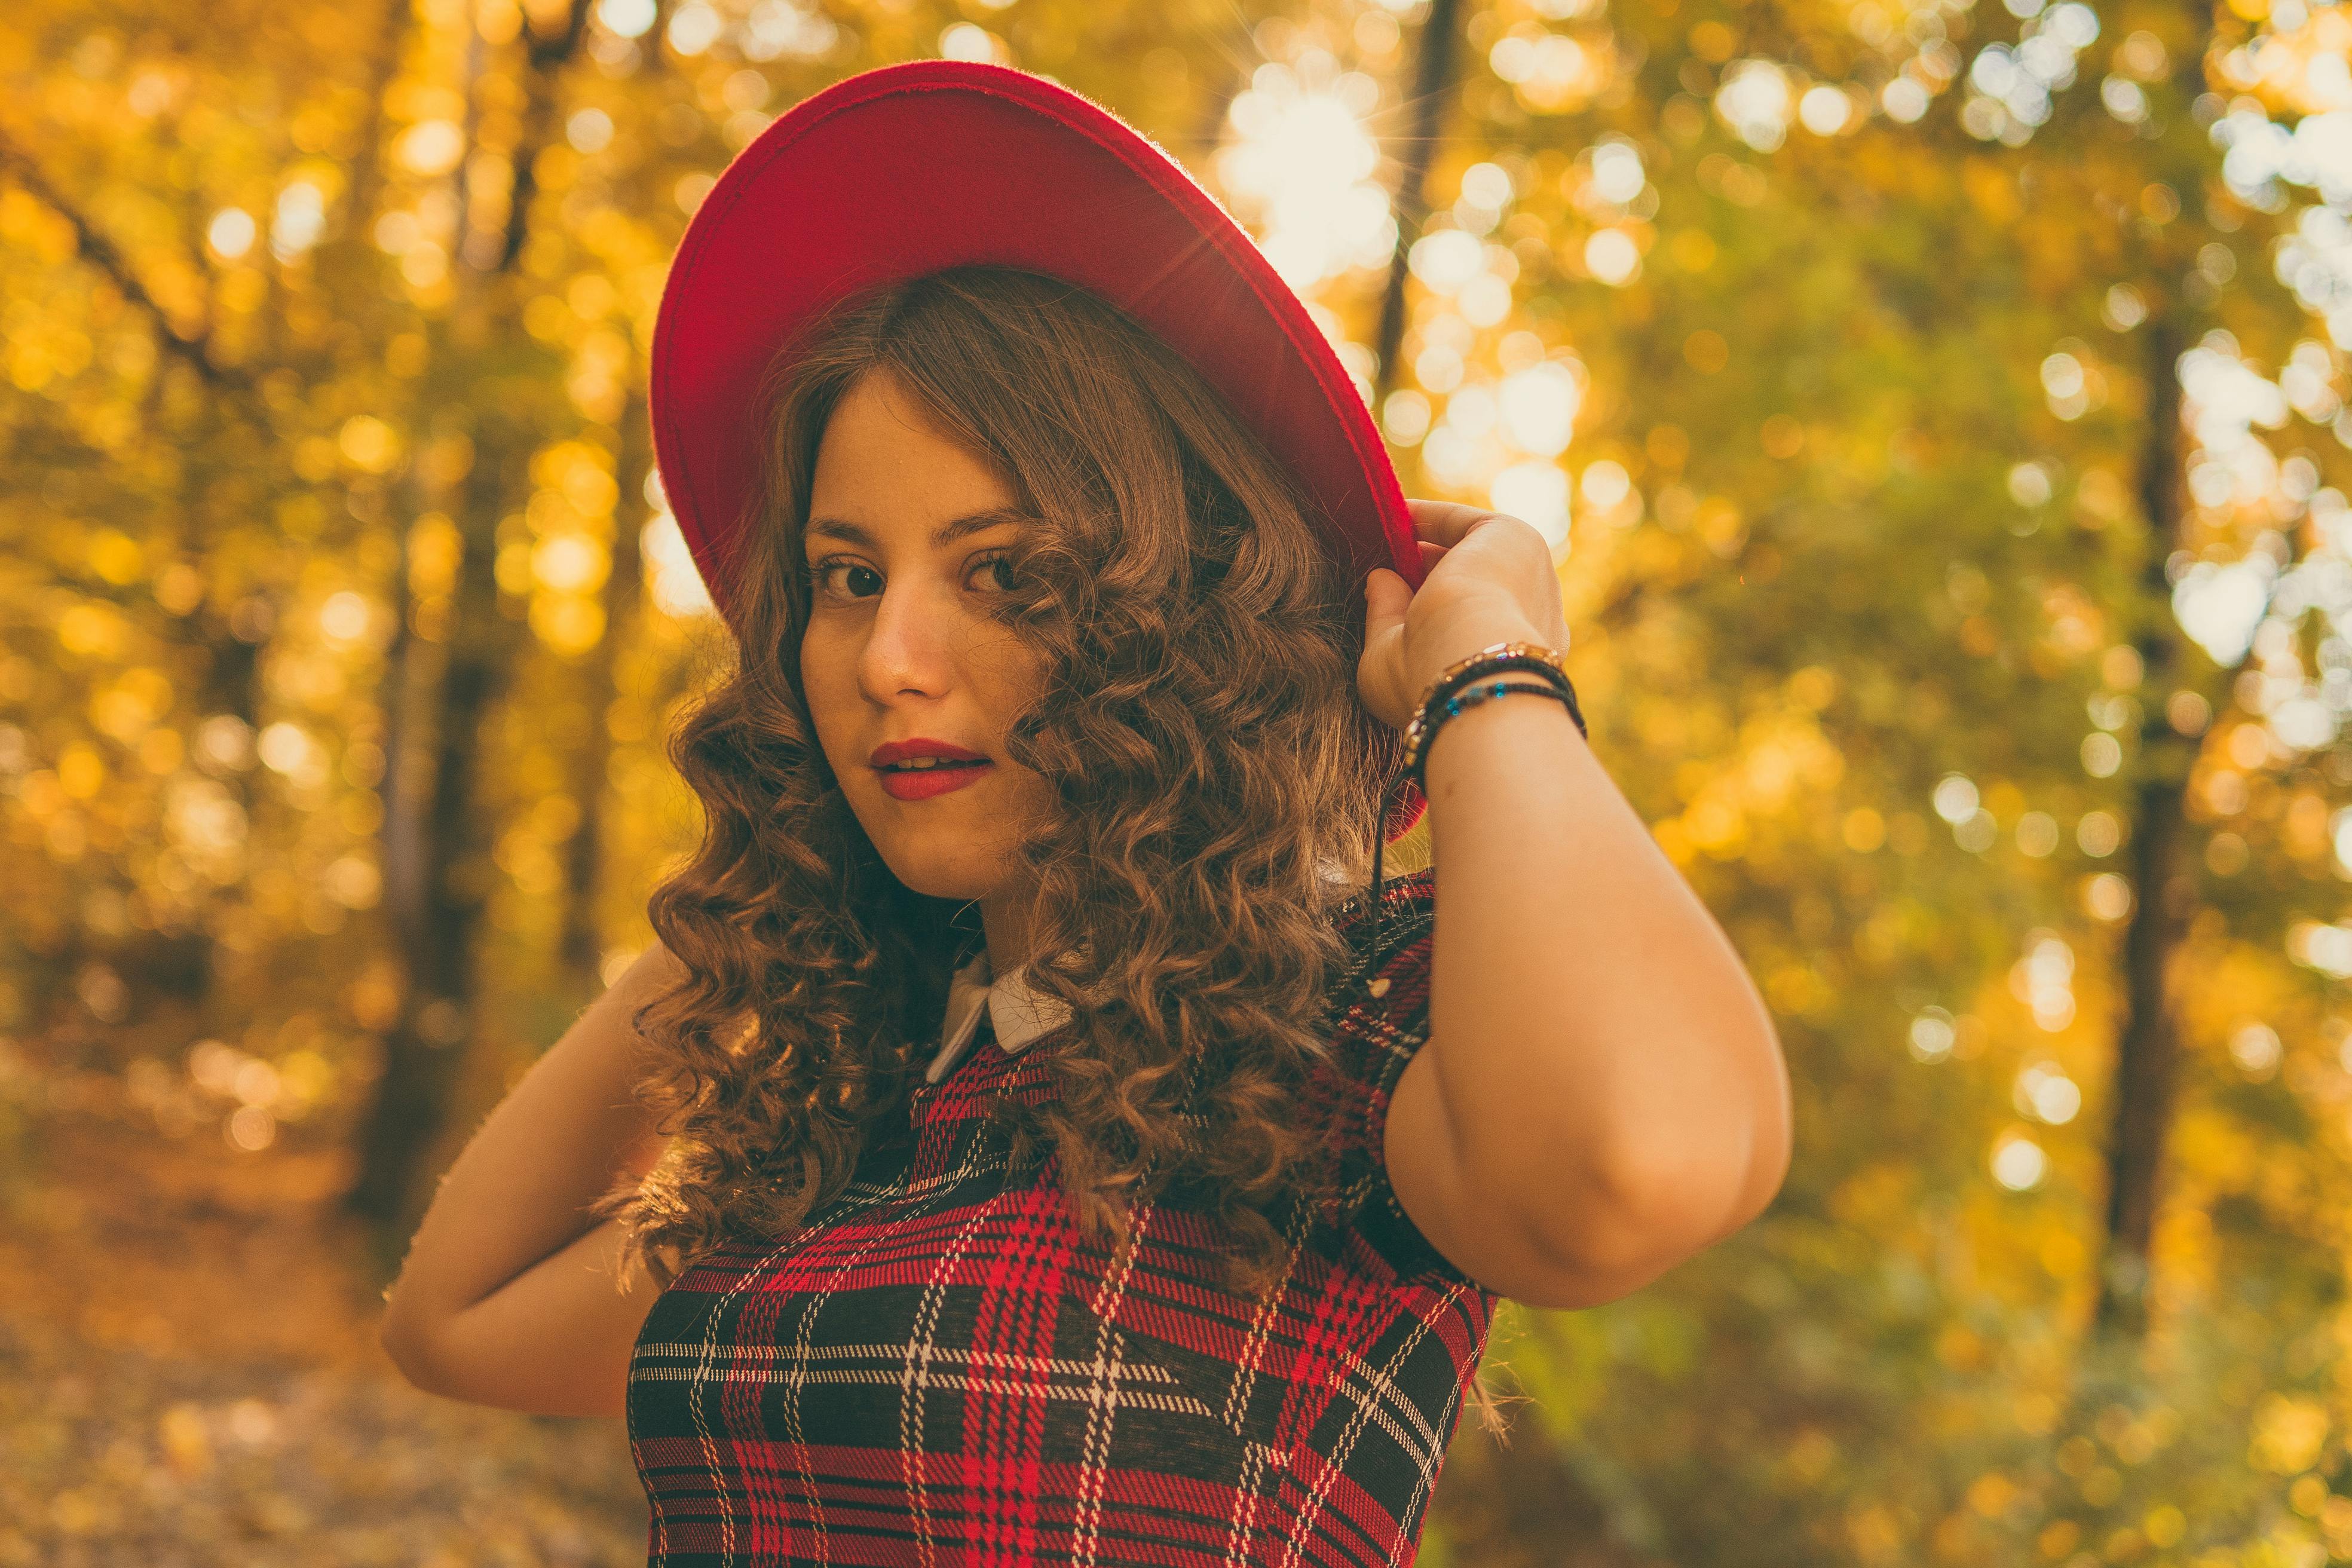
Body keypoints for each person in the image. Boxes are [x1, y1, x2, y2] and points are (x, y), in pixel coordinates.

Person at [380, 62, 1790, 1567]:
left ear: (1178, 621)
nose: (889, 659)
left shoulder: (1335, 1040)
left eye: (1000, 572)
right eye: (849, 579)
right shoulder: (872, 1109)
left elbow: (1639, 1162)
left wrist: (1487, 670)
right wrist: (779, 863)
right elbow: (453, 1321)